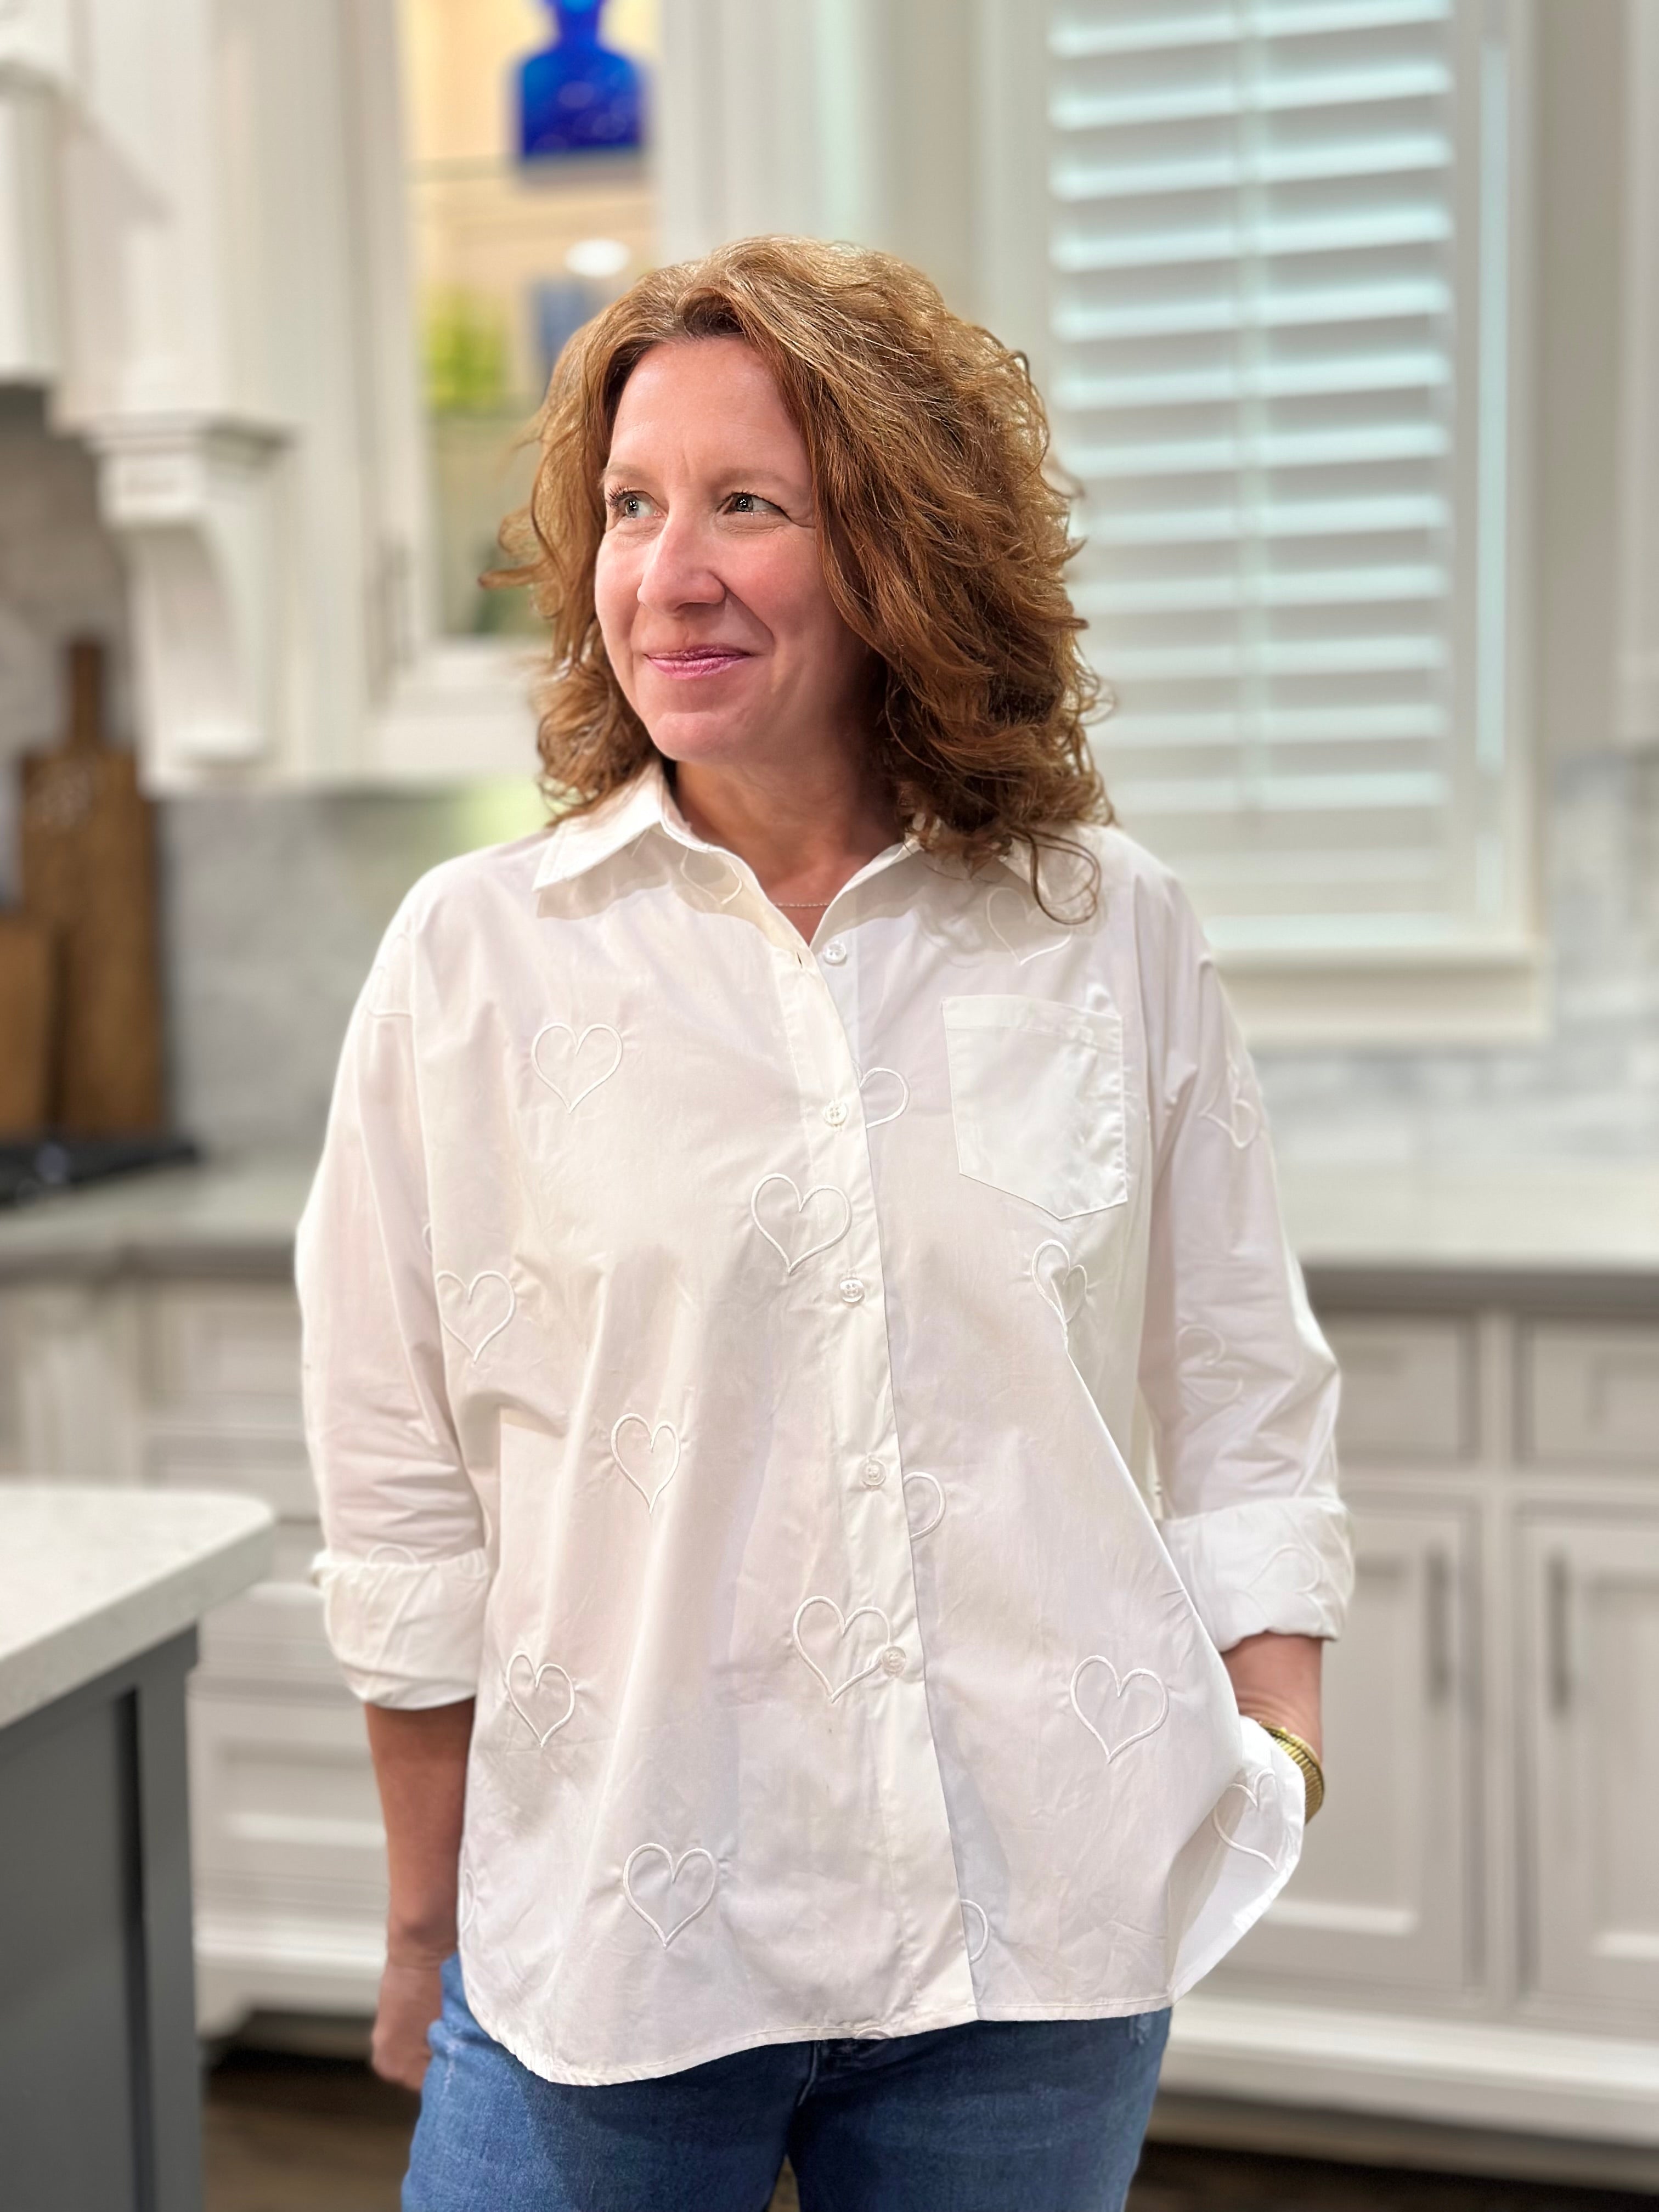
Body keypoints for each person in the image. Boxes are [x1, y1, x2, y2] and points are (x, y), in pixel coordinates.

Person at [297, 235, 1351, 2212]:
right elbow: (400, 1488)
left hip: (1038, 1933)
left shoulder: (1102, 923)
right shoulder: (475, 958)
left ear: (902, 552)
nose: (665, 574)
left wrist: (1273, 1737)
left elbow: (1237, 1377)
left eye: (747, 507)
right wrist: (427, 1919)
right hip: (611, 1933)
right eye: (630, 508)